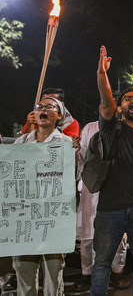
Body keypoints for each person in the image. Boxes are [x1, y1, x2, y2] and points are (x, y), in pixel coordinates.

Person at [91, 46, 133, 295]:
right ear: (119, 108)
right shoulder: (111, 128)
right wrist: (102, 74)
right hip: (110, 210)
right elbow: (106, 99)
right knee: (102, 264)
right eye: (128, 99)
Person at [12, 96, 76, 296]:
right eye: (40, 106)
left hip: (53, 219)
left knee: (53, 274)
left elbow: (76, 177)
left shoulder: (68, 144)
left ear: (59, 115)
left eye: (50, 107)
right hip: (24, 218)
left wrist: (76, 155)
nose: (44, 110)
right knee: (24, 272)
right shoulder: (20, 142)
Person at [74, 119, 128, 292]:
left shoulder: (123, 127)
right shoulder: (90, 127)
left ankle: (117, 272)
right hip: (91, 188)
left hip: (116, 187)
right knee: (88, 235)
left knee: (117, 235)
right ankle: (86, 273)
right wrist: (75, 150)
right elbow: (82, 157)